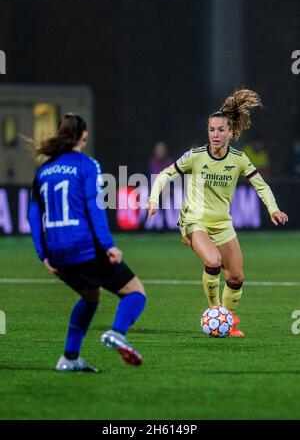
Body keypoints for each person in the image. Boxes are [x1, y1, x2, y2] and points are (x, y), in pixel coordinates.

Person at [147, 89, 288, 336]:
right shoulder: (196, 156)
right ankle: (215, 313)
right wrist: (153, 198)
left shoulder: (239, 159)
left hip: (222, 224)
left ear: (231, 133)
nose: (215, 134)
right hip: (194, 221)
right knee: (213, 261)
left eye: (221, 130)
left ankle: (227, 320)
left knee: (236, 278)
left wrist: (273, 208)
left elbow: (261, 185)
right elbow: (166, 174)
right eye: (211, 129)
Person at [27, 113, 146, 371]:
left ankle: (69, 358)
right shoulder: (86, 165)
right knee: (135, 292)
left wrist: (43, 255)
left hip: (57, 253)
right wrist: (108, 245)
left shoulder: (44, 169)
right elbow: (94, 207)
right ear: (85, 135)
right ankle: (118, 333)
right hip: (84, 247)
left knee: (91, 295)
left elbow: (34, 214)